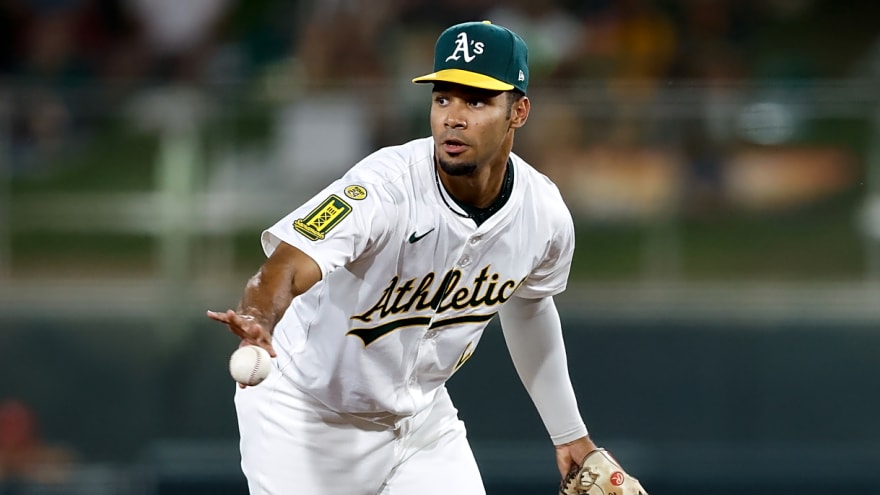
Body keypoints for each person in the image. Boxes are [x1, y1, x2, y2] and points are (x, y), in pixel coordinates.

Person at [208, 20, 635, 494]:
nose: (453, 117)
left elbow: (529, 306)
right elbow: (284, 268)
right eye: (442, 98)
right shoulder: (382, 189)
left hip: (421, 425)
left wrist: (568, 433)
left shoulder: (544, 213)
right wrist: (259, 318)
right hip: (304, 419)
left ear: (519, 112)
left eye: (476, 100)